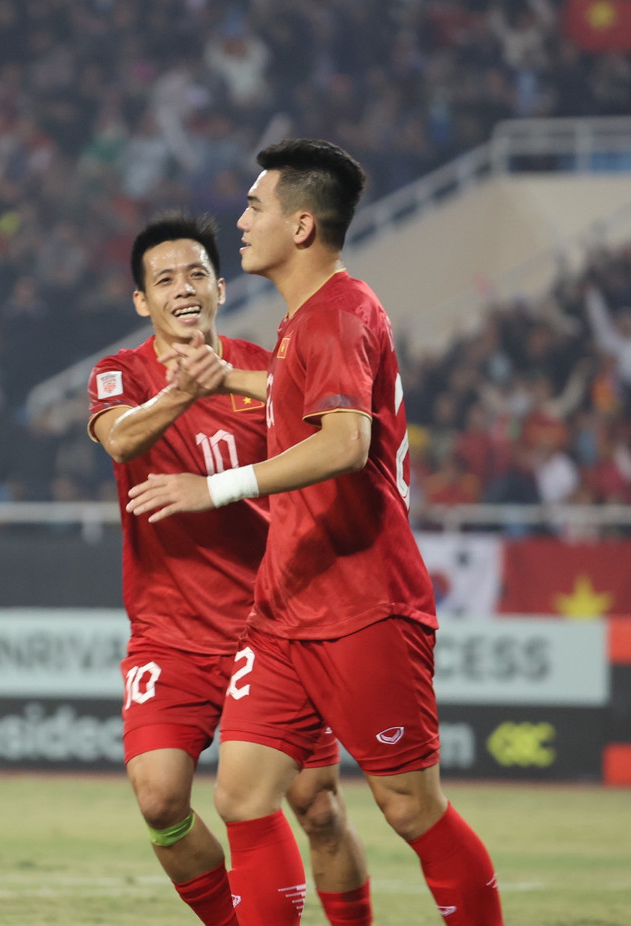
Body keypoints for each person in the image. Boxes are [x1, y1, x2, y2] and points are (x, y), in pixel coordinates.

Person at [127, 141, 505, 925]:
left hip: (363, 603)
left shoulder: (336, 312)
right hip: (286, 609)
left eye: (255, 206)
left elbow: (345, 444)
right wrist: (228, 377)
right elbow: (290, 396)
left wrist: (215, 488)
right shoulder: (309, 321)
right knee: (241, 796)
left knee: (409, 808)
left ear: (301, 225)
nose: (241, 218)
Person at [90, 212, 371, 926]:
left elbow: (334, 449)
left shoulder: (269, 369)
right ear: (141, 302)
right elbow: (121, 442)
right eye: (163, 280)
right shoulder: (118, 374)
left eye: (193, 275)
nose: (181, 289)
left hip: (274, 629)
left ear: (219, 286)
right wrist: (187, 388)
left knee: (318, 808)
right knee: (159, 799)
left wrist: (235, 384)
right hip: (170, 634)